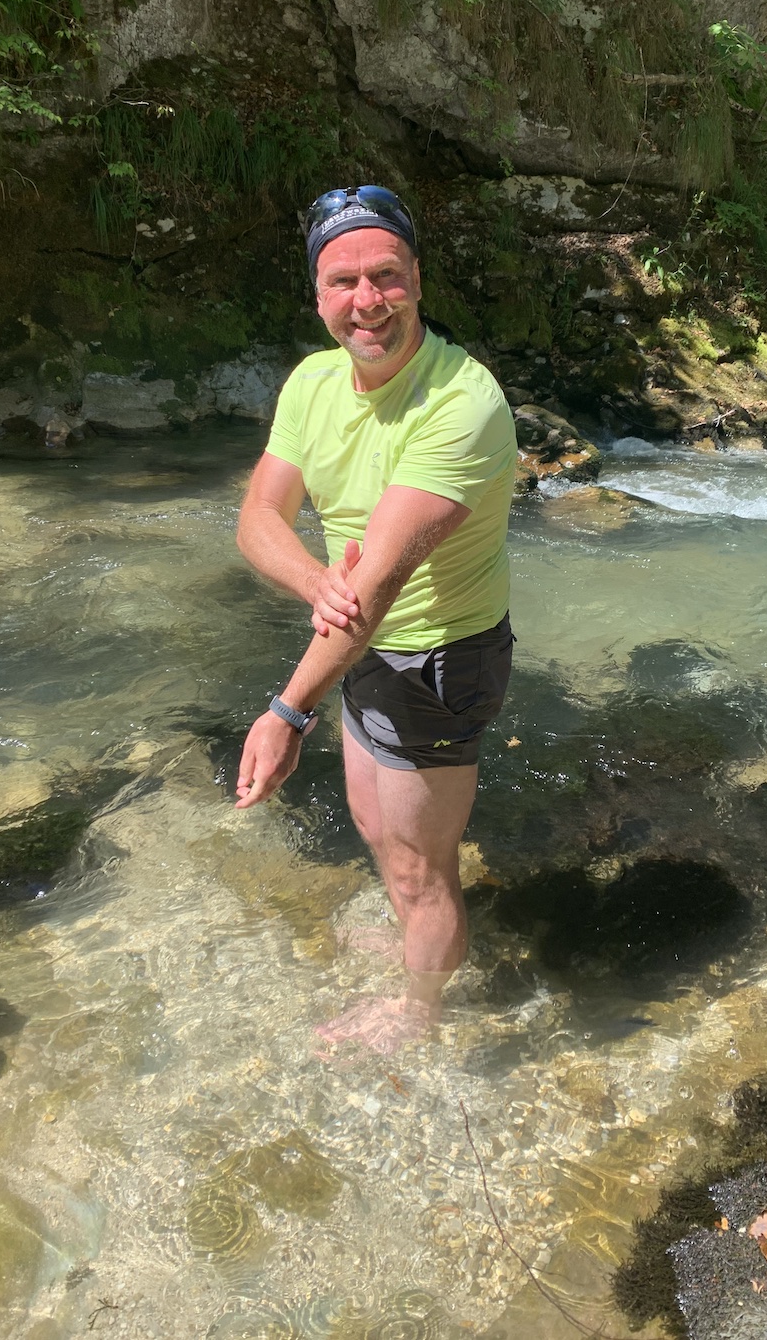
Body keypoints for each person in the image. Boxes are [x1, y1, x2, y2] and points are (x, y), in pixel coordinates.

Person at [234, 185, 516, 1053]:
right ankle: (413, 938)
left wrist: (287, 714)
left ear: (418, 279)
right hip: (357, 643)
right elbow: (257, 517)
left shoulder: (462, 404)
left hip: (437, 659)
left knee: (421, 866)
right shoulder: (313, 382)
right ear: (317, 295)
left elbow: (380, 584)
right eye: (343, 281)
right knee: (375, 827)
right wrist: (317, 582)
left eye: (386, 276)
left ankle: (419, 1015)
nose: (368, 301)